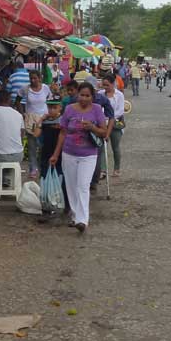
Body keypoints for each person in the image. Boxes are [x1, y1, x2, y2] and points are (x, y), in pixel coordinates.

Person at [49, 83, 108, 233]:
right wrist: (55, 154)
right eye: (82, 95)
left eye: (87, 95)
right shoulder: (69, 109)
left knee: (83, 186)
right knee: (71, 186)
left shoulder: (96, 110)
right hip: (69, 153)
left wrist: (92, 127)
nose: (84, 98)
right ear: (77, 95)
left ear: (92, 97)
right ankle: (75, 216)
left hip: (88, 155)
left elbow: (104, 132)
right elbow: (62, 133)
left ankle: (83, 220)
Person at [21, 70, 49, 178]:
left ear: (39, 78)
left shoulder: (45, 88)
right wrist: (23, 113)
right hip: (31, 120)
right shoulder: (26, 88)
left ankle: (42, 167)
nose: (33, 80)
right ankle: (33, 168)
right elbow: (18, 100)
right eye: (31, 78)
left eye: (35, 78)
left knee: (43, 145)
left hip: (43, 119)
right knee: (32, 146)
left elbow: (49, 100)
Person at [101, 75, 125, 176]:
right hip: (102, 123)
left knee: (115, 147)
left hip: (115, 123)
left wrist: (109, 118)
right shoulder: (100, 94)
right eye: (104, 85)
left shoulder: (119, 95)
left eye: (107, 85)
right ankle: (102, 170)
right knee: (101, 147)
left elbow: (120, 111)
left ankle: (117, 168)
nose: (105, 87)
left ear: (112, 84)